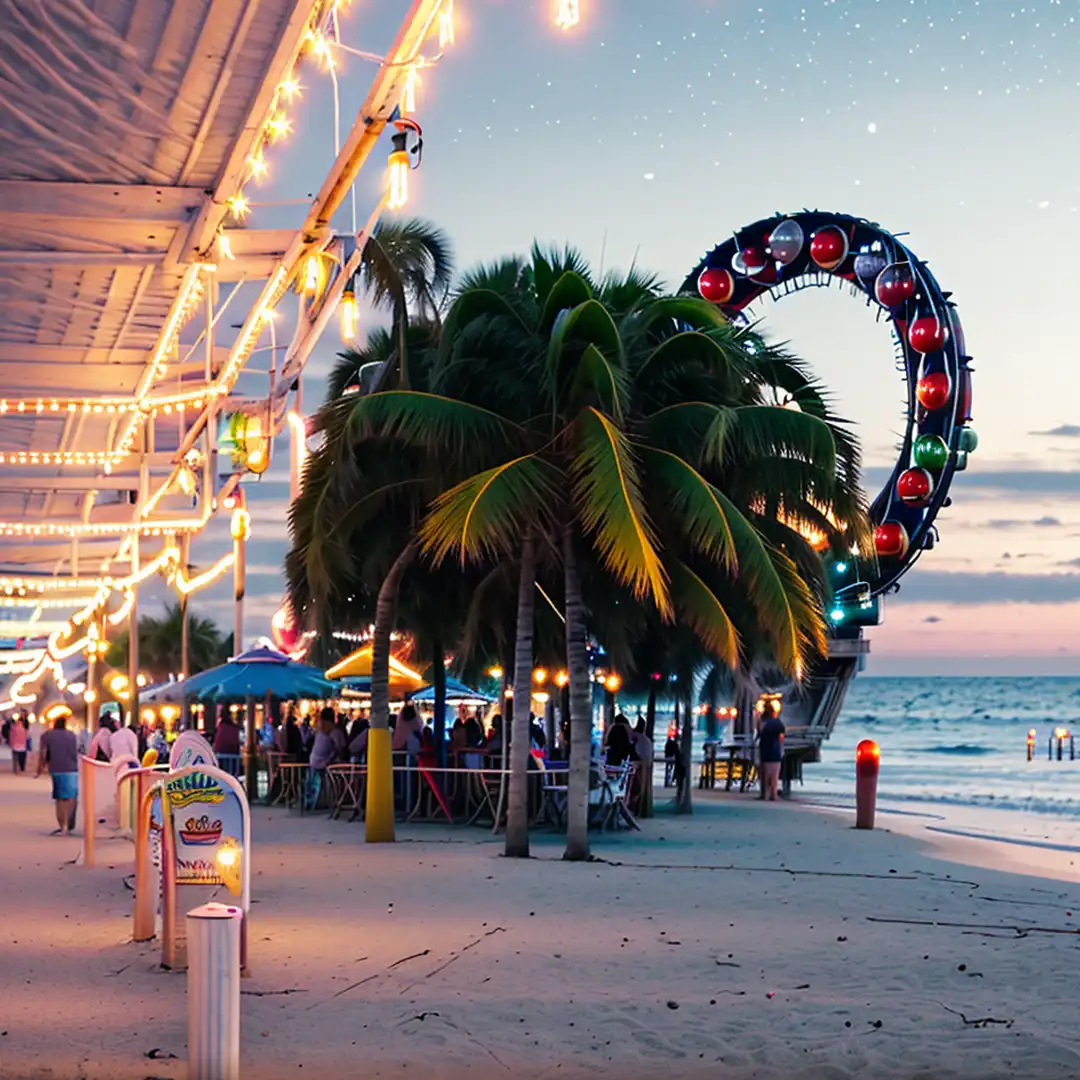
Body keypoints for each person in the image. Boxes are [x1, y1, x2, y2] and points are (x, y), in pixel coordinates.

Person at [36, 713, 79, 835]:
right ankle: (67, 823)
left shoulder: (47, 735)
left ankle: (63, 825)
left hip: (56, 768)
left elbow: (43, 754)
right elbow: (77, 751)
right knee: (70, 798)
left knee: (59, 799)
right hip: (72, 769)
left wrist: (40, 769)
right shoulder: (72, 735)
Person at [757, 696, 786, 802]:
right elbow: (781, 736)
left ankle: (764, 794)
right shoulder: (777, 722)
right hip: (774, 748)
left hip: (764, 747)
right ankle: (773, 794)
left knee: (765, 773)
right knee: (774, 774)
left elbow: (759, 732)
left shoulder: (762, 721)